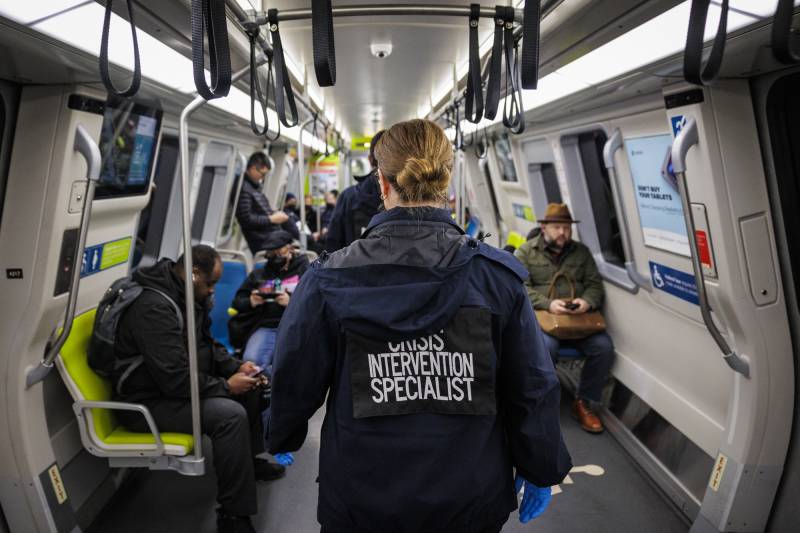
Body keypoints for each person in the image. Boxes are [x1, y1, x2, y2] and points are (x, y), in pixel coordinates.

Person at [269, 119, 571, 533]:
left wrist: (283, 432)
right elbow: (531, 384)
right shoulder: (496, 279)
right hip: (469, 491)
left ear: (381, 181)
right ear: (448, 178)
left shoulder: (329, 280)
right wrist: (541, 465)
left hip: (363, 492)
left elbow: (295, 369)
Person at [113, 245, 285, 533]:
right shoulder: (154, 308)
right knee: (229, 413)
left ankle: (248, 462)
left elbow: (206, 345)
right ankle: (232, 515)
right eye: (210, 283)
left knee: (250, 387)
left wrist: (235, 367)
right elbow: (174, 380)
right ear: (194, 274)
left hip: (172, 391)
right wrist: (226, 387)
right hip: (147, 403)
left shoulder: (187, 297)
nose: (211, 291)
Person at [514, 203, 614, 434]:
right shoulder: (525, 252)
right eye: (558, 227)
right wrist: (549, 304)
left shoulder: (582, 252)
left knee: (603, 347)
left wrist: (586, 302)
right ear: (544, 227)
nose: (563, 233)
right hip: (544, 321)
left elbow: (594, 285)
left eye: (567, 228)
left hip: (577, 321)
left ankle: (584, 403)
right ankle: (541, 403)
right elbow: (519, 288)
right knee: (545, 348)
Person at [228, 230, 310, 375]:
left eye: (280, 252)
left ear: (290, 249)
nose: (276, 257)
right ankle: (266, 382)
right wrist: (251, 301)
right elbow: (237, 302)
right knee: (251, 362)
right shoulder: (259, 275)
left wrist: (291, 302)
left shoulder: (304, 271)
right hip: (266, 325)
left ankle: (273, 379)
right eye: (271, 254)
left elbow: (314, 301)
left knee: (295, 364)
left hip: (295, 324)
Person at [324, 130, 384, 252]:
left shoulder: (348, 197)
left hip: (352, 269)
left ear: (370, 159)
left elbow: (332, 244)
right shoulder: (412, 199)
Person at [236, 152, 299, 255]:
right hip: (261, 239)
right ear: (252, 168)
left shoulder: (254, 187)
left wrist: (274, 215)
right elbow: (246, 219)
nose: (263, 178)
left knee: (290, 227)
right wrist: (271, 219)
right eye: (262, 174)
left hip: (268, 234)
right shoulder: (244, 189)